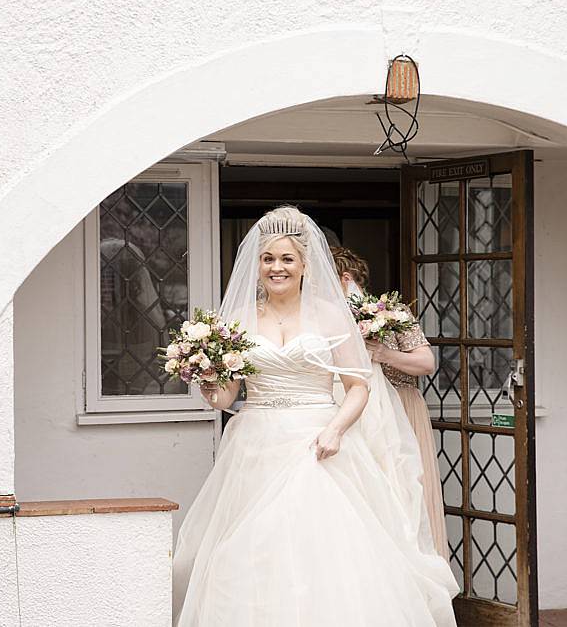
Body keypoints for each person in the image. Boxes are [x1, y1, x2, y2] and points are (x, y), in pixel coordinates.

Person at [173, 207, 459, 626]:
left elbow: (358, 386)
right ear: (256, 266)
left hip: (319, 442)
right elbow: (227, 397)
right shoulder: (237, 321)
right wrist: (207, 385)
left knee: (325, 548)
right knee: (254, 547)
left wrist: (335, 430)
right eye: (268, 259)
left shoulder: (329, 314)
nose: (277, 268)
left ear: (306, 265)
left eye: (287, 259)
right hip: (256, 443)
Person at [332, 246, 451, 563]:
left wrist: (384, 354)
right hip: (349, 411)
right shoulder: (324, 320)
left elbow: (426, 363)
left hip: (401, 404)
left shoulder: (391, 314)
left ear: (345, 279)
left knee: (403, 492)